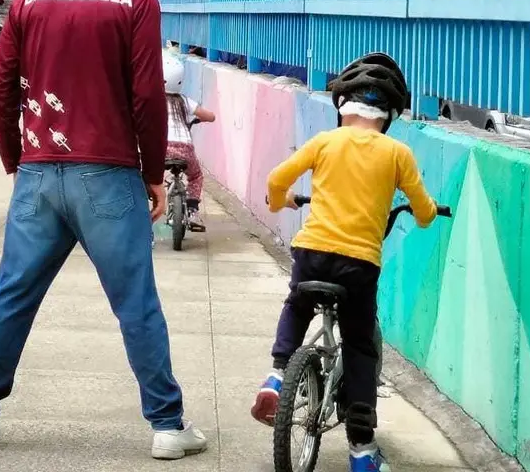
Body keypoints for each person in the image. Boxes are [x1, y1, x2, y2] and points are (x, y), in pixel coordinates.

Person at [0, 0, 208, 461]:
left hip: (39, 173)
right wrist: (151, 173)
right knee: (135, 302)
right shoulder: (136, 4)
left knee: (12, 294)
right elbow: (147, 95)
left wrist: (15, 159)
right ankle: (167, 425)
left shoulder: (28, 1)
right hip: (108, 175)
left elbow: (0, 89)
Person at [254, 52, 438, 472]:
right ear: (389, 114)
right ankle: (361, 451)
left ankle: (279, 374)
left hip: (312, 253)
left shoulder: (325, 141)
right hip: (359, 266)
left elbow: (277, 180)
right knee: (358, 346)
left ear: (341, 105)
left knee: (297, 303)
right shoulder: (397, 154)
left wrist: (281, 201)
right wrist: (426, 215)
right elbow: (423, 211)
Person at [161, 51, 215, 232]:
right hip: (185, 149)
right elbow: (211, 116)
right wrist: (201, 118)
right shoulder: (185, 101)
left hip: (160, 149)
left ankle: (149, 206)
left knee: (146, 174)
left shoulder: (154, 100)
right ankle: (192, 210)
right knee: (196, 176)